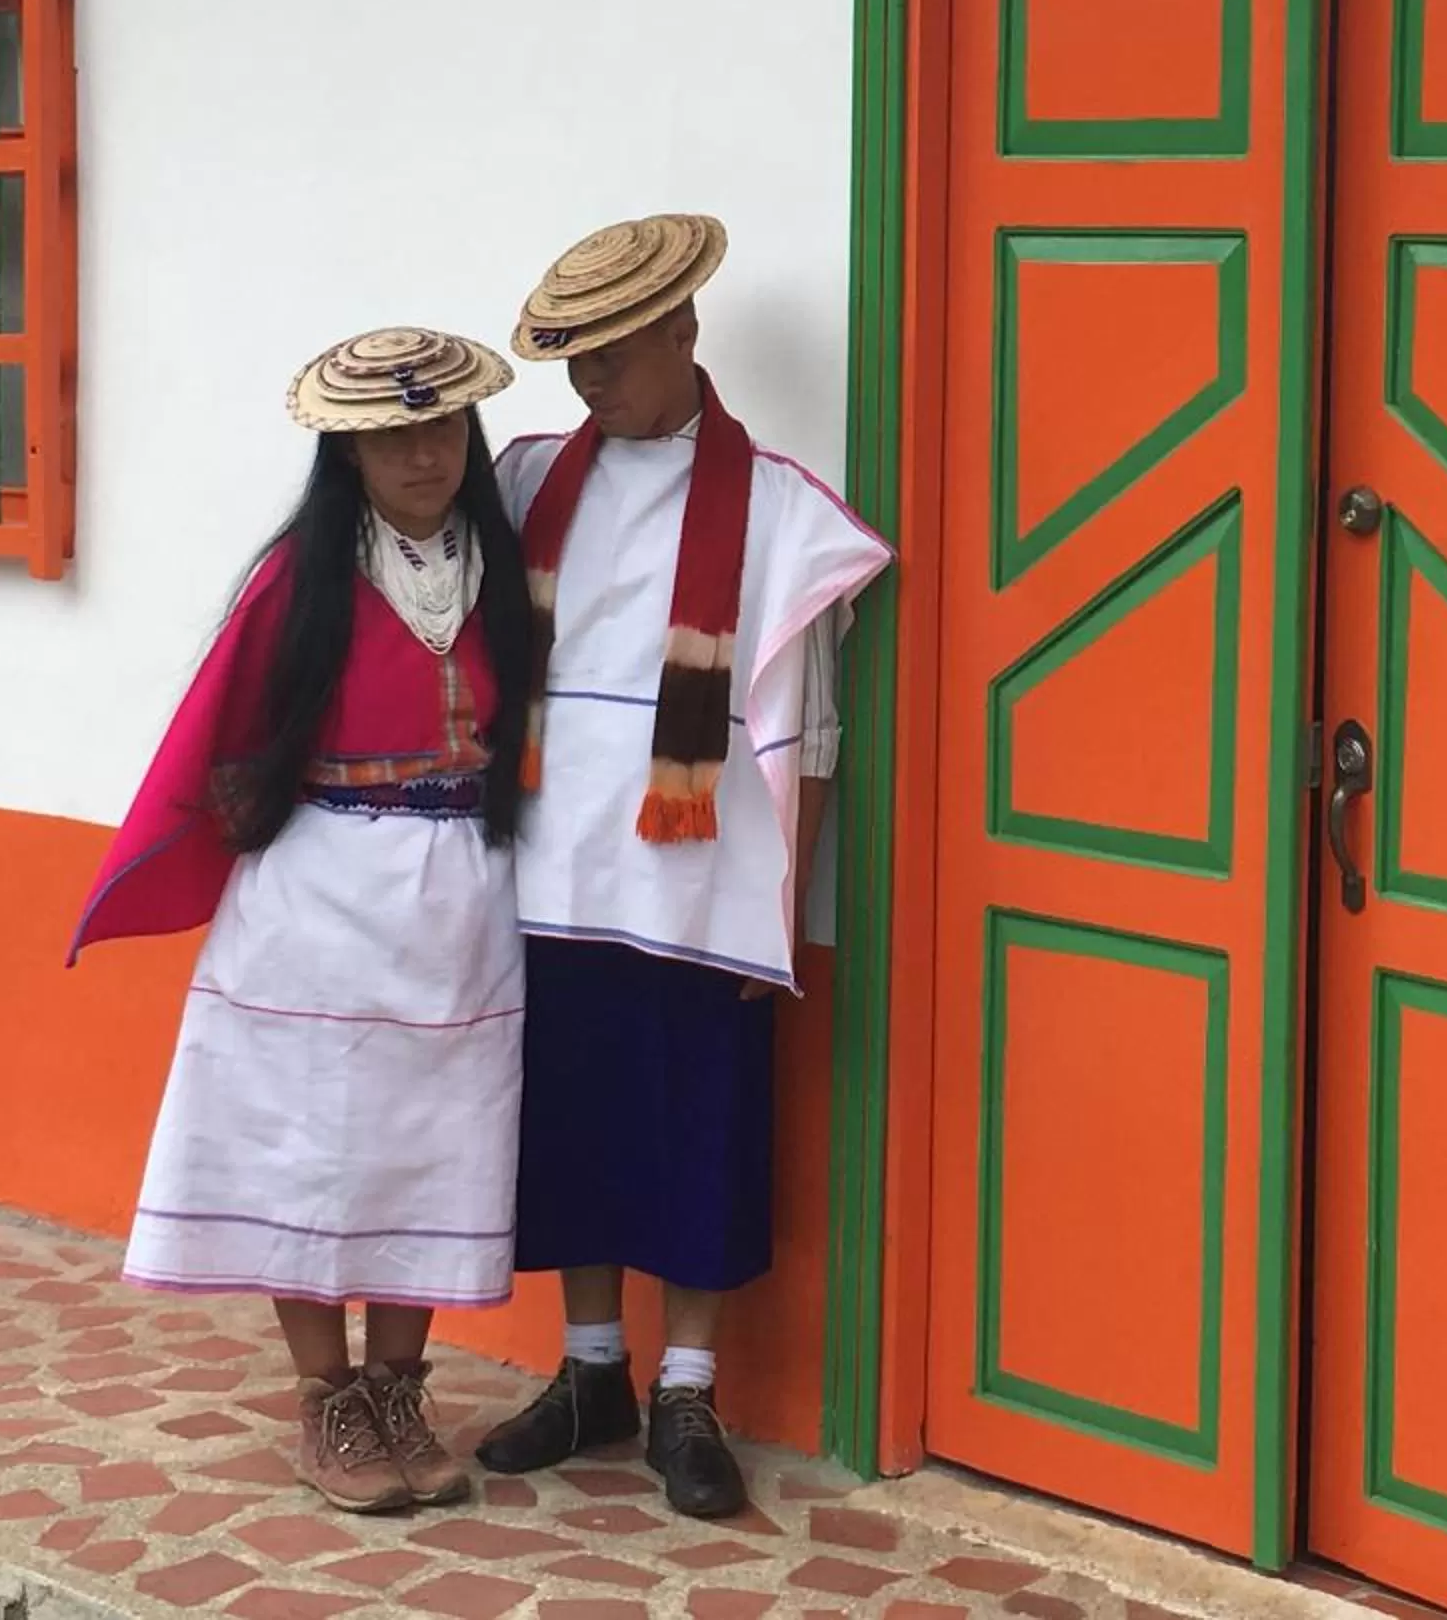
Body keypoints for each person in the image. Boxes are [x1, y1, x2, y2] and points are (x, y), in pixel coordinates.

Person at [67, 326, 533, 1515]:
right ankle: (326, 1398)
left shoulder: (509, 570)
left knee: (434, 1138)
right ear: (350, 452)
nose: (425, 453)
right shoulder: (301, 580)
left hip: (465, 904)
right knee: (316, 1145)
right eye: (394, 435)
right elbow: (224, 734)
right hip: (320, 897)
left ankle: (397, 1390)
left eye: (442, 428)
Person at [471, 214, 890, 1519]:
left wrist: (784, 900)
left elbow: (809, 726)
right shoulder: (534, 480)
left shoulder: (772, 507)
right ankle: (592, 1366)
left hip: (699, 870)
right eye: (575, 357)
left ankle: (687, 1389)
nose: (591, 380)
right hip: (552, 862)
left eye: (613, 351)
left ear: (682, 330)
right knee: (571, 1115)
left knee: (698, 1119)